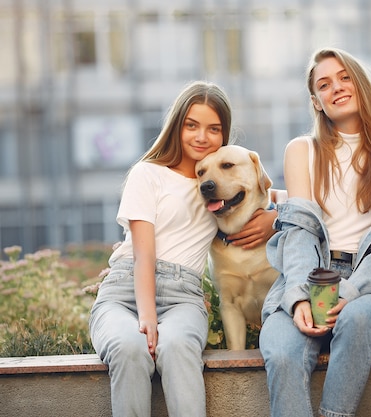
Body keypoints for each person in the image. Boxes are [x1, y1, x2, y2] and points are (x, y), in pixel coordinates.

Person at [89, 80, 277, 417]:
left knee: (176, 347)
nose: (201, 136)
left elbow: (272, 192)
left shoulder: (219, 185)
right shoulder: (147, 174)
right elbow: (143, 255)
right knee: (130, 348)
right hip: (125, 290)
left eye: (213, 128)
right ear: (177, 126)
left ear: (224, 134)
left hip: (183, 298)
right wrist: (147, 317)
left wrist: (274, 217)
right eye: (192, 125)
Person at [259, 47, 371, 417]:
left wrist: (348, 291)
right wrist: (300, 297)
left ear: (361, 85)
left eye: (345, 77)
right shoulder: (302, 151)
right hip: (308, 276)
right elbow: (298, 232)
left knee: (356, 317)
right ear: (316, 101)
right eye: (325, 84)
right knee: (281, 350)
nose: (337, 88)